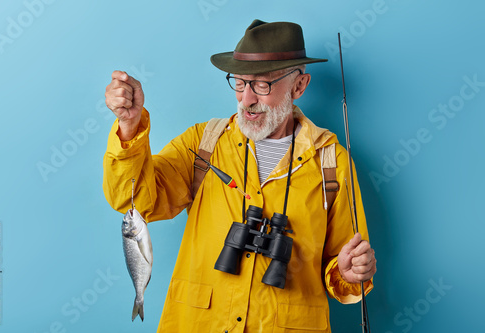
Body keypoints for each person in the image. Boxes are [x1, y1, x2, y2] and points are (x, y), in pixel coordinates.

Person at [103, 19, 377, 333]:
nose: (246, 99)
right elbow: (133, 200)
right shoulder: (203, 144)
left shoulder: (331, 161)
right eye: (240, 82)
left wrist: (348, 272)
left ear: (299, 86)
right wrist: (129, 126)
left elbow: (344, 266)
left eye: (262, 85)